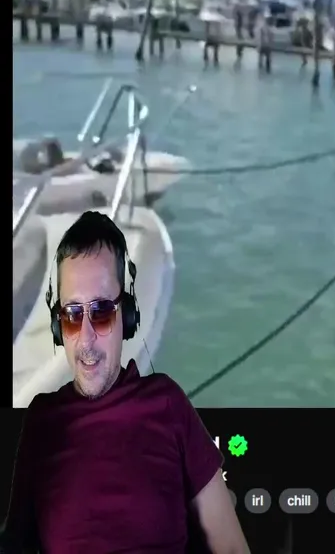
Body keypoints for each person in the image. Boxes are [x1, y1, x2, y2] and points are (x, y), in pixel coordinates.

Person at [2, 212, 248, 554]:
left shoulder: (168, 404)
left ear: (127, 316)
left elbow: (231, 548)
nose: (86, 339)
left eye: (101, 311)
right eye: (72, 315)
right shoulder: (43, 421)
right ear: (58, 327)